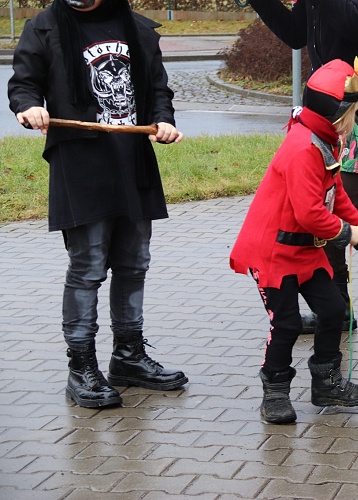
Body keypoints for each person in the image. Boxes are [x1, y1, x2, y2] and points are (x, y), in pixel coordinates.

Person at [7, 0, 188, 408]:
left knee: (134, 263)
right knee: (87, 267)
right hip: (80, 163)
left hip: (133, 161)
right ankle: (81, 367)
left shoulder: (138, 29)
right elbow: (23, 84)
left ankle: (128, 356)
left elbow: (158, 88)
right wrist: (29, 106)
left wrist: (164, 119)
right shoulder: (45, 27)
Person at [247, 0, 358, 332]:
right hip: (327, 107)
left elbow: (357, 24)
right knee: (329, 202)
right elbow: (296, 34)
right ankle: (336, 310)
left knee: (354, 202)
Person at [229, 58, 358, 424]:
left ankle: (326, 383)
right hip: (273, 253)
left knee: (333, 310)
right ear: (336, 114)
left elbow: (334, 191)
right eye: (353, 113)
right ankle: (275, 392)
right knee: (287, 324)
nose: (355, 121)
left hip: (305, 250)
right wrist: (347, 233)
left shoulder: (325, 141)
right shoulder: (302, 148)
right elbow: (310, 212)